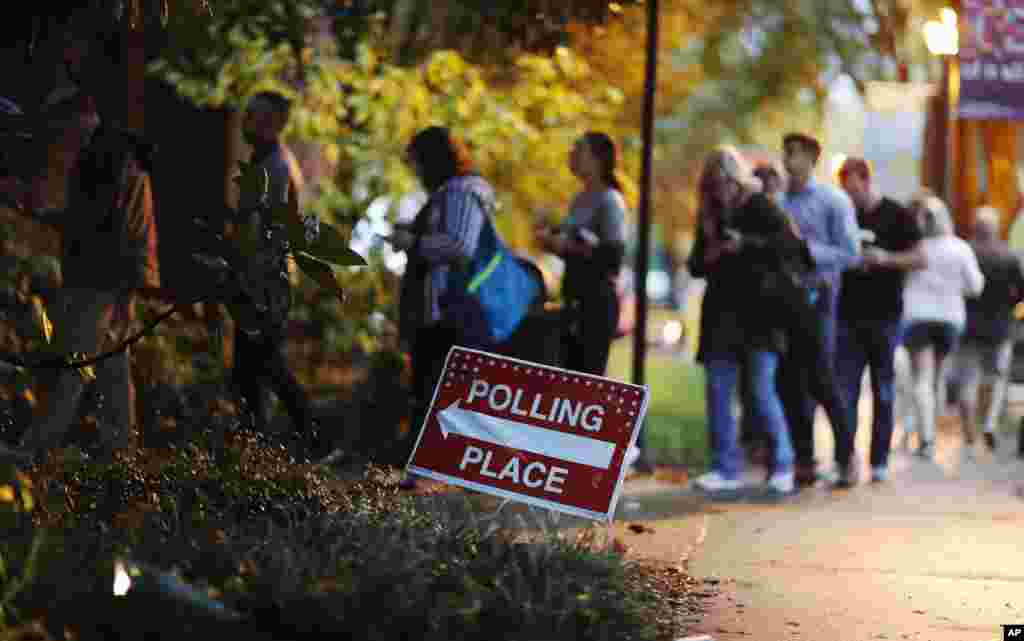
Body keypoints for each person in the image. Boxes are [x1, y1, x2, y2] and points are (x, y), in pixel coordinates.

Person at [1, 92, 160, 462]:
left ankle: (35, 447)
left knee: (73, 362)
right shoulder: (107, 154)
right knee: (111, 367)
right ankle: (120, 450)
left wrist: (40, 211)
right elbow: (99, 225)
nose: (59, 140)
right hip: (109, 277)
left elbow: (103, 229)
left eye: (62, 128)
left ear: (80, 121)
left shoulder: (106, 160)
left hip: (101, 279)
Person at [686, 146, 809, 497]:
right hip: (721, 316)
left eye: (724, 182)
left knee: (760, 391)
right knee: (717, 390)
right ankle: (725, 467)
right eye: (712, 185)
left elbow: (790, 247)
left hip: (761, 315)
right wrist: (712, 253)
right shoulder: (709, 216)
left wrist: (745, 245)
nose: (719, 190)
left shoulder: (760, 207)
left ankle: (782, 465)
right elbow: (695, 265)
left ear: (737, 179)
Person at [389, 126, 503, 489]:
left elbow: (459, 245)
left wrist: (413, 241)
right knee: (437, 386)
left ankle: (429, 473)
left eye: (417, 162)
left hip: (448, 307)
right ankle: (433, 470)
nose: (415, 171)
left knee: (434, 385)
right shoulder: (454, 192)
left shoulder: (459, 192)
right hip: (446, 307)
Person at [230, 91, 317, 456]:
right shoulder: (265, 161)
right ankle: (259, 446)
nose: (245, 121)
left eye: (253, 116)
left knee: (264, 365)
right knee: (252, 368)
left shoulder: (276, 167)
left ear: (272, 123)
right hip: (258, 279)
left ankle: (310, 436)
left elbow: (268, 230)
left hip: (266, 282)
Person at [778, 132, 862, 486]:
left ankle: (846, 458)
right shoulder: (779, 202)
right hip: (785, 303)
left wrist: (810, 252)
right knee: (790, 383)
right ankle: (804, 459)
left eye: (794, 154)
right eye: (785, 153)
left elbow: (851, 251)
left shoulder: (833, 200)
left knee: (822, 380)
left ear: (812, 158)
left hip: (821, 301)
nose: (787, 160)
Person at [835, 157, 925, 485]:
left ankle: (879, 461)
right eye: (844, 188)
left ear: (866, 180)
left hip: (885, 316)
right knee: (844, 389)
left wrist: (886, 259)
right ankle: (845, 459)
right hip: (846, 316)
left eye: (853, 187)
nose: (849, 195)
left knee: (883, 389)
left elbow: (920, 258)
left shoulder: (896, 214)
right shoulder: (843, 214)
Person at [535, 132, 629, 377]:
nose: (572, 155)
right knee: (567, 374)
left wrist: (565, 246)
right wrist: (552, 242)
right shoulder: (579, 199)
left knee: (587, 379)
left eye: (579, 150)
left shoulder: (610, 200)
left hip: (596, 304)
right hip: (573, 297)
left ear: (598, 159)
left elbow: (612, 259)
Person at [901, 193, 985, 460]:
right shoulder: (960, 248)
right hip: (950, 319)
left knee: (922, 379)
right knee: (936, 377)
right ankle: (930, 431)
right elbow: (975, 286)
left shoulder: (914, 247)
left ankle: (926, 437)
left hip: (918, 319)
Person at [951, 206, 1024, 454]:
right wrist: (1011, 307)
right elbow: (1021, 292)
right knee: (997, 377)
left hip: (968, 326)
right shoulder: (1009, 256)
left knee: (968, 380)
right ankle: (990, 422)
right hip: (1001, 326)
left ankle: (970, 430)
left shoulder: (965, 252)